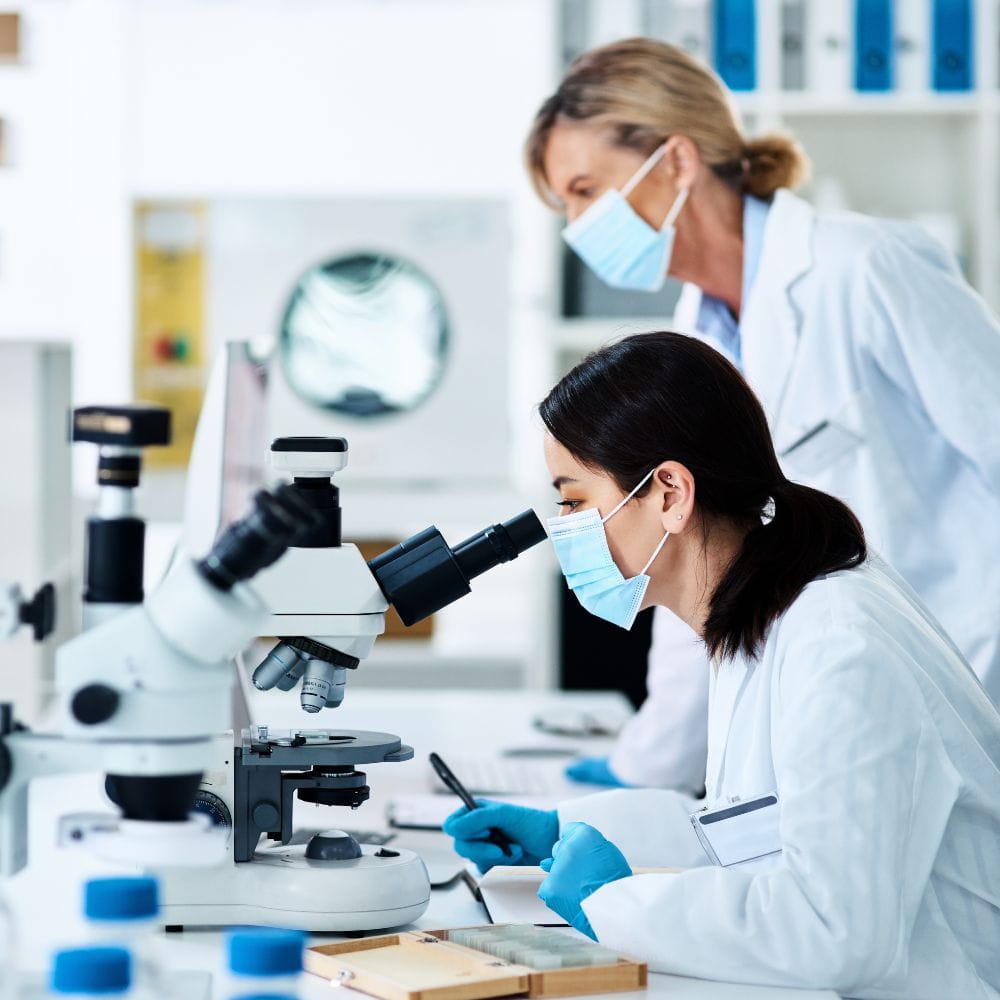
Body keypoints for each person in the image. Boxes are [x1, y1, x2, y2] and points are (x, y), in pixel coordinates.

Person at [444, 333, 1000, 999]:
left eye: (573, 500)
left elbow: (835, 932)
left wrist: (612, 902)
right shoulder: (762, 612)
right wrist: (566, 830)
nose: (563, 528)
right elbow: (749, 833)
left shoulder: (839, 648)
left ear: (670, 492)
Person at [525, 38, 1000, 791]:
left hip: (962, 680)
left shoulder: (865, 267)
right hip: (831, 713)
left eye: (586, 191)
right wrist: (645, 770)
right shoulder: (694, 339)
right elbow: (693, 565)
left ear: (676, 161)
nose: (578, 226)